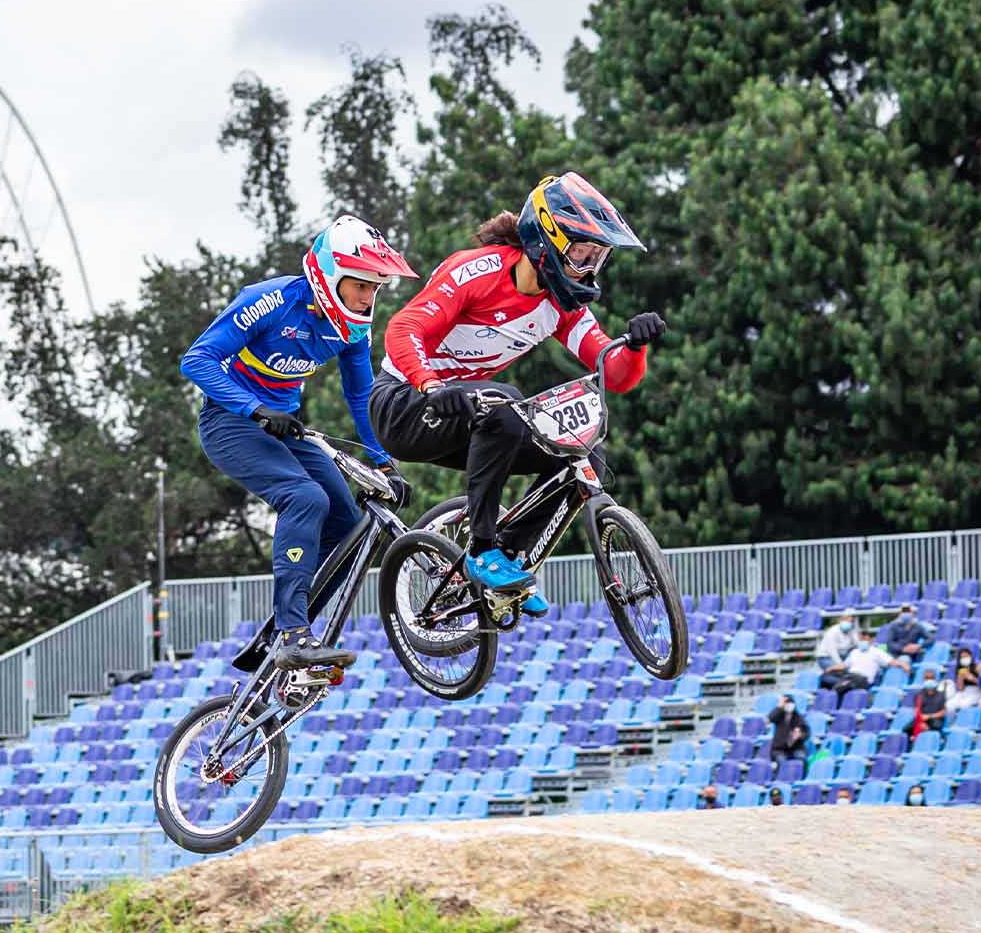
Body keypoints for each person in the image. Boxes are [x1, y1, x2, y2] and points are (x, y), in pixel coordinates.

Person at [368, 173, 664, 609]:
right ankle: (482, 550)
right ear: (546, 242)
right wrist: (430, 384)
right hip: (406, 404)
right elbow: (403, 327)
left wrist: (635, 346)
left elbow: (613, 373)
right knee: (504, 403)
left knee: (582, 453)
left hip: (472, 413)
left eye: (597, 258)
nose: (588, 269)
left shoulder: (560, 305)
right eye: (581, 254)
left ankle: (508, 558)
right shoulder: (476, 272)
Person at [180, 215, 417, 669]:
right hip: (230, 422)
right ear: (331, 276)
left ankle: (287, 629)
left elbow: (361, 394)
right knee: (305, 498)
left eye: (375, 288)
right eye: (361, 285)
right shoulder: (270, 300)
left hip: (284, 427)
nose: (369, 298)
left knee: (349, 528)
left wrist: (384, 462)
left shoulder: (355, 326)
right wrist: (254, 407)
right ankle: (294, 633)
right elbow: (197, 360)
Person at [830, 628, 896, 693]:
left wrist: (904, 665)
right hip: (850, 676)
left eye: (865, 639)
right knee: (831, 682)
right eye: (861, 640)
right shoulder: (854, 652)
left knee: (844, 686)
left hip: (864, 679)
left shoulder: (877, 652)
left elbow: (891, 661)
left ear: (871, 640)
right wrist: (830, 668)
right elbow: (844, 665)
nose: (862, 642)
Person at [816, 612, 858, 686]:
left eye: (851, 621)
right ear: (841, 620)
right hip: (826, 657)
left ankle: (845, 682)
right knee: (839, 671)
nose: (849, 623)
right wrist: (840, 665)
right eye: (847, 621)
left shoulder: (851, 631)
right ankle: (824, 680)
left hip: (842, 656)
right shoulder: (832, 632)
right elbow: (832, 651)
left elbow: (857, 643)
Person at [767, 695, 809, 764]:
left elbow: (807, 732)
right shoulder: (779, 715)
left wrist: (800, 735)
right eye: (786, 703)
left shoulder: (799, 717)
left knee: (802, 758)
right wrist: (779, 707)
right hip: (779, 749)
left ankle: (801, 774)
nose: (789, 706)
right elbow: (770, 718)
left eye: (790, 703)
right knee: (782, 761)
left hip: (796, 748)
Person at [911, 666, 950, 737]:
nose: (929, 680)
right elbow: (916, 710)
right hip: (922, 720)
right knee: (906, 729)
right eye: (927, 678)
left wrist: (929, 716)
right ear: (924, 680)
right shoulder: (919, 694)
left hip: (935, 719)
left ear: (935, 679)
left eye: (931, 678)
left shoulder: (941, 695)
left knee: (935, 726)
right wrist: (921, 721)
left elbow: (943, 712)